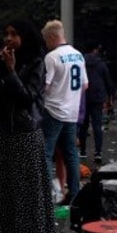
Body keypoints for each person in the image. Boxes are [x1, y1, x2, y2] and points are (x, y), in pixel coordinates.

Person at [0, 20, 57, 233]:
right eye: (7, 33)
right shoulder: (4, 63)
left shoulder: (37, 63)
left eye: (14, 34)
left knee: (26, 195)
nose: (9, 38)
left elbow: (27, 98)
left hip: (25, 134)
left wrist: (12, 72)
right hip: (4, 132)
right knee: (4, 193)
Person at [41, 20, 84, 205]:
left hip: (53, 109)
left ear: (51, 37)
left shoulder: (52, 57)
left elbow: (46, 86)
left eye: (46, 40)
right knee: (71, 154)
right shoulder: (78, 55)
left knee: (45, 152)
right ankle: (74, 194)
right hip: (72, 111)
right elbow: (85, 85)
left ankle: (44, 194)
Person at [79, 41, 114, 164]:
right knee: (97, 125)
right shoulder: (101, 64)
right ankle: (98, 152)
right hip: (98, 97)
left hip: (83, 97)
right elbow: (108, 82)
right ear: (95, 50)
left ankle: (82, 150)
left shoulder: (80, 62)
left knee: (83, 125)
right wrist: (110, 97)